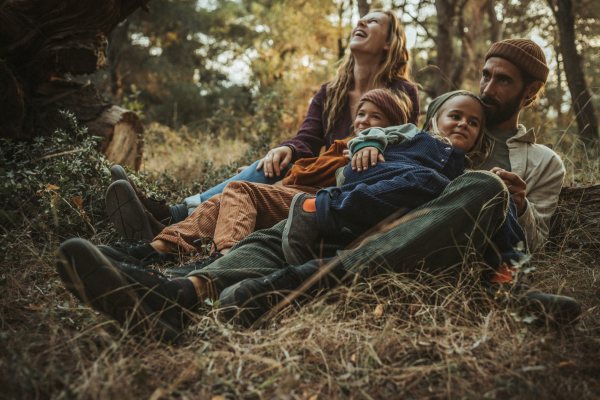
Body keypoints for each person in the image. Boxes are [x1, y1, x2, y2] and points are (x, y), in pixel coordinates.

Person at [54, 91, 580, 341]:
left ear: (482, 137)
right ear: (430, 120)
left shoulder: (480, 175)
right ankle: (173, 297)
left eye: (472, 122)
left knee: (483, 188)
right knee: (286, 225)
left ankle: (292, 285)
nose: (462, 124)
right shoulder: (398, 144)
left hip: (407, 247)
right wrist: (360, 156)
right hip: (347, 229)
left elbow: (510, 245)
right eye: (453, 116)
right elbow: (350, 172)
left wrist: (511, 248)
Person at [106, 9, 421, 240]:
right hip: (318, 171)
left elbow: (405, 147)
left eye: (374, 21)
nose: (361, 22)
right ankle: (170, 216)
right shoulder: (331, 91)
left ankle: (168, 219)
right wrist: (286, 148)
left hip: (350, 184)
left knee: (267, 180)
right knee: (272, 162)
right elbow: (307, 139)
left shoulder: (402, 92)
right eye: (361, 19)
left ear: (389, 43)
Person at [100, 89, 412, 278]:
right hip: (291, 193)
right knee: (218, 202)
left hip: (317, 203)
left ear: (391, 128)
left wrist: (371, 143)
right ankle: (155, 249)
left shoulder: (374, 149)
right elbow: (306, 162)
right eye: (361, 114)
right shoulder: (341, 144)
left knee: (238, 190)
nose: (364, 122)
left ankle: (226, 261)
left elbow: (383, 141)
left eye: (375, 117)